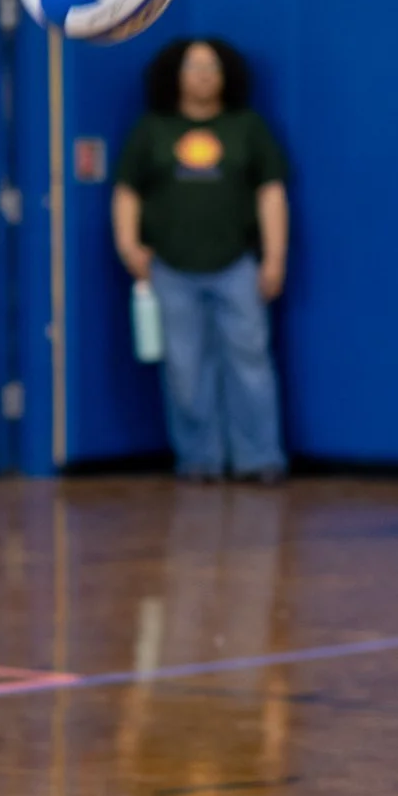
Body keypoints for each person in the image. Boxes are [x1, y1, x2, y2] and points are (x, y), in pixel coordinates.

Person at [112, 36, 291, 483]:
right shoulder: (152, 129)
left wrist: (274, 258)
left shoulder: (247, 128)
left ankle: (259, 459)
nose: (204, 75)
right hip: (170, 268)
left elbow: (271, 193)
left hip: (237, 266)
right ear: (175, 75)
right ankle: (199, 460)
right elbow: (126, 191)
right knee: (185, 369)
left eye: (212, 67)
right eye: (193, 66)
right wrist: (129, 246)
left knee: (250, 363)